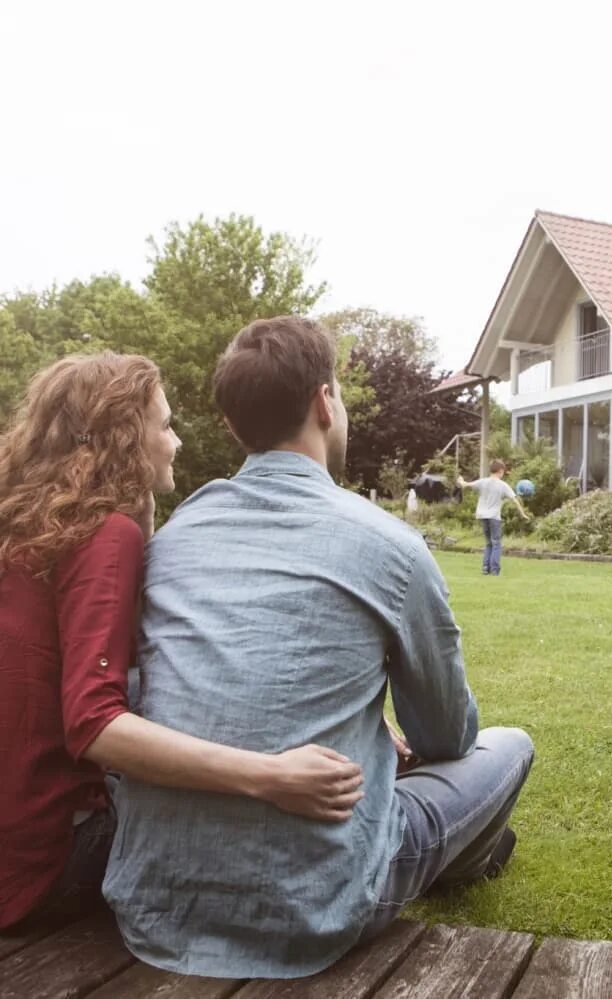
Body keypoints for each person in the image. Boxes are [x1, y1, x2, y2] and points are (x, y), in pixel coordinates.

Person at [104, 317, 534, 979]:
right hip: (318, 905)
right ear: (324, 401)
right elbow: (446, 735)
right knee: (508, 746)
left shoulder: (176, 536)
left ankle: (469, 844)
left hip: (154, 904)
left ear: (229, 425)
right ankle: (472, 854)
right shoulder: (390, 545)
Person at [0, 353, 364, 932]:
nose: (177, 442)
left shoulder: (31, 526)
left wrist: (142, 523)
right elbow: (95, 724)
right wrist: (270, 776)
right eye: (165, 425)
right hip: (45, 864)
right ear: (125, 438)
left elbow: (137, 656)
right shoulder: (103, 535)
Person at [457, 460, 531, 576]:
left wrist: (460, 480)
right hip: (494, 517)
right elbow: (515, 500)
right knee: (496, 543)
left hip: (482, 516)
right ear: (500, 471)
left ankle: (485, 568)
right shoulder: (503, 485)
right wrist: (523, 514)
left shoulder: (482, 482)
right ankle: (495, 570)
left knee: (488, 543)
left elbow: (465, 485)